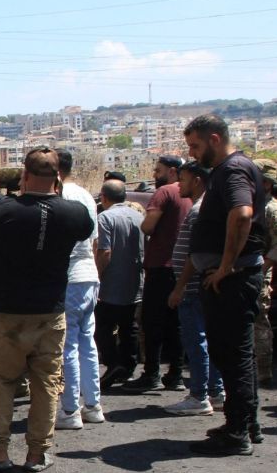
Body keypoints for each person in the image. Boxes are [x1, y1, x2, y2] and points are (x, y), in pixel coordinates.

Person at [0, 147, 93, 473]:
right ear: (58, 177)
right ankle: (37, 454)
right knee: (46, 383)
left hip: (7, 310)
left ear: (24, 174)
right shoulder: (74, 212)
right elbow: (85, 230)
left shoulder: (4, 208)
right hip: (50, 311)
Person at [183, 114, 267, 455]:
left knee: (233, 354)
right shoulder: (229, 170)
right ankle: (245, 422)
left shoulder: (232, 170)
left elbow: (242, 213)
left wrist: (226, 266)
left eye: (195, 145)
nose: (191, 153)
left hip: (232, 279)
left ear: (214, 139)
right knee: (233, 353)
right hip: (229, 277)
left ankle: (237, 433)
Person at [121, 156, 192, 393]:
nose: (154, 174)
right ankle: (176, 374)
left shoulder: (164, 193)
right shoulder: (191, 194)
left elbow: (148, 226)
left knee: (152, 323)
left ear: (172, 171)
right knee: (177, 324)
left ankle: (151, 373)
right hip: (183, 267)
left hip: (161, 265)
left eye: (158, 170)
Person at [165, 160, 225, 416]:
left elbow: (194, 254)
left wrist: (179, 287)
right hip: (196, 286)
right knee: (206, 339)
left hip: (191, 288)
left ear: (198, 180)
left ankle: (199, 395)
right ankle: (215, 390)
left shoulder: (200, 210)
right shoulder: (204, 207)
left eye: (184, 179)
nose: (180, 184)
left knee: (196, 340)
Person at [54, 149, 105, 430]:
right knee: (88, 342)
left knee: (69, 344)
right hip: (88, 275)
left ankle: (70, 409)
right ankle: (93, 405)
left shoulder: (61, 197)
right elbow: (94, 243)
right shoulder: (86, 195)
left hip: (70, 276)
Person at [94, 181, 145, 390]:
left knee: (102, 326)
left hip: (111, 283)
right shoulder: (138, 217)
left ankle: (113, 363)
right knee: (129, 327)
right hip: (134, 281)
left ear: (104, 197)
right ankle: (128, 366)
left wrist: (97, 275)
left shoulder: (105, 217)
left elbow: (105, 251)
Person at [251, 159, 277, 385]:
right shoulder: (255, 205)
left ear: (266, 184)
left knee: (259, 322)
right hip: (248, 270)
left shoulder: (272, 209)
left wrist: (262, 266)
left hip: (259, 273)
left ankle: (262, 371)